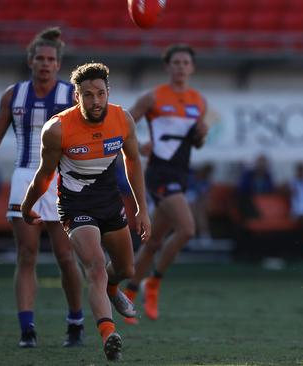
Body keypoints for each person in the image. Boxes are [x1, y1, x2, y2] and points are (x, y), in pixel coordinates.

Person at [20, 62, 151, 361]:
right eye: (88, 95)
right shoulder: (58, 129)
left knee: (126, 269)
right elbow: (44, 175)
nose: (95, 101)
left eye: (100, 94)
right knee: (94, 266)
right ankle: (109, 334)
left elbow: (133, 163)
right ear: (77, 95)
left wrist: (142, 209)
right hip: (75, 205)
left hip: (109, 202)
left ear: (108, 93)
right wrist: (27, 207)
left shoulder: (122, 119)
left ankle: (113, 287)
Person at [0, 27, 84, 348]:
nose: (45, 64)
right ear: (30, 61)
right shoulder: (13, 95)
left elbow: (89, 140)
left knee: (64, 255)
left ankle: (75, 321)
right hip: (25, 178)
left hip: (62, 182)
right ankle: (27, 329)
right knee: (26, 255)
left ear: (58, 64)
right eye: (40, 58)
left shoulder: (70, 97)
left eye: (51, 59)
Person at [124, 44, 209, 324]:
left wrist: (201, 135)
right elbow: (124, 124)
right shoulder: (153, 97)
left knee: (153, 242)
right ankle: (154, 283)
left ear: (192, 68)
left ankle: (130, 294)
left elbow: (195, 142)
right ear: (168, 67)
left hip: (182, 173)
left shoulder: (199, 101)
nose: (181, 67)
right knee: (187, 229)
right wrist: (136, 148)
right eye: (176, 62)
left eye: (186, 62)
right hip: (159, 174)